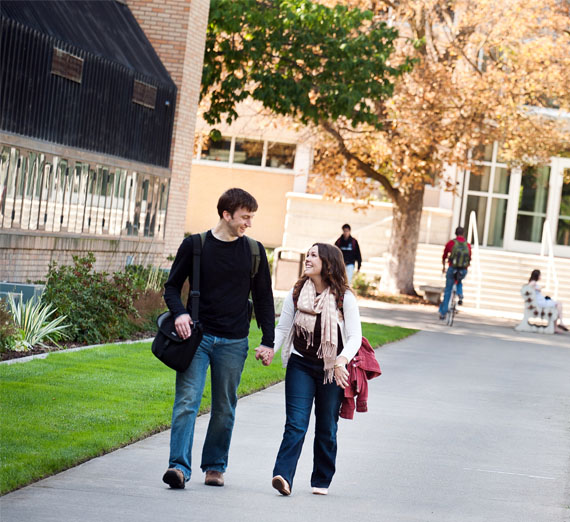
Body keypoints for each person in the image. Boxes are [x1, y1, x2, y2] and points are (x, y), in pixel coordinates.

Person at [161, 188, 276, 489]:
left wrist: (268, 340)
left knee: (224, 406)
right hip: (196, 339)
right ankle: (178, 468)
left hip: (234, 341)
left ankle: (214, 466)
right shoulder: (195, 246)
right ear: (226, 215)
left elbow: (264, 298)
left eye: (251, 218)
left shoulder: (254, 251)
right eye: (244, 217)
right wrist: (179, 314)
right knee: (187, 401)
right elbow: (171, 287)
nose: (248, 224)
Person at [271, 243, 362, 496]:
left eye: (314, 255)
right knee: (296, 424)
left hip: (331, 369)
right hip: (301, 363)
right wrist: (271, 349)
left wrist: (342, 360)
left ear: (328, 263)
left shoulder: (345, 298)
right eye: (307, 254)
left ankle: (321, 480)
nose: (308, 258)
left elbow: (355, 337)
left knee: (326, 427)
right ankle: (282, 476)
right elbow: (283, 328)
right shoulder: (298, 291)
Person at [439, 226, 471, 320]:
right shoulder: (467, 245)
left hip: (452, 268)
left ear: (455, 233)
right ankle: (460, 294)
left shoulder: (451, 243)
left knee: (448, 290)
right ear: (463, 233)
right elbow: (469, 258)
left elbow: (444, 255)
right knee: (459, 281)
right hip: (463, 269)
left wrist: (444, 266)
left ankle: (443, 313)